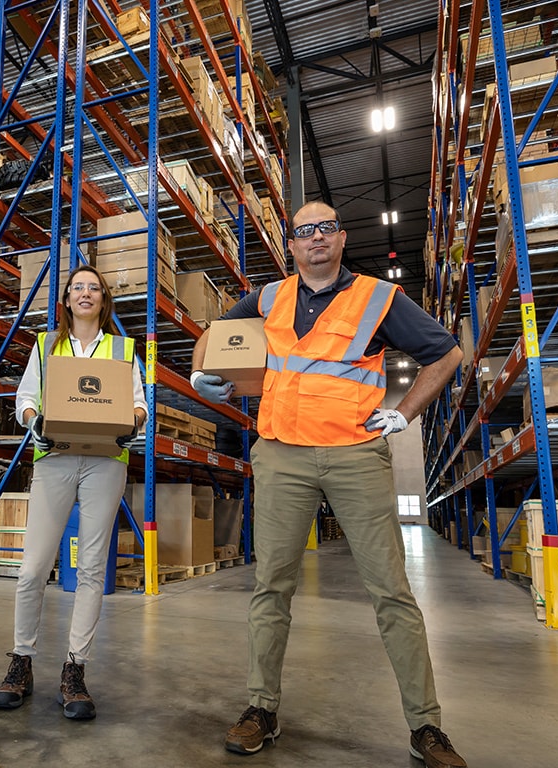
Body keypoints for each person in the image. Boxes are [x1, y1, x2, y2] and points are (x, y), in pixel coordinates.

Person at [190, 201, 467, 768]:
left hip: (356, 455)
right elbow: (215, 334)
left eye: (326, 228)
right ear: (290, 245)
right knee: (272, 586)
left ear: (341, 238)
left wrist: (406, 412)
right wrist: (201, 372)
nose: (315, 238)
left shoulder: (378, 297)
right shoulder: (268, 298)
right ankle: (261, 708)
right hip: (281, 455)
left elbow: (448, 353)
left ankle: (426, 727)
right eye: (303, 231)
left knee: (391, 590)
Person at [0, 264, 146, 720]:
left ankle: (75, 669)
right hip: (54, 458)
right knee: (33, 566)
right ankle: (21, 661)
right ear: (65, 299)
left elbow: (139, 402)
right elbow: (25, 399)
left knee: (93, 567)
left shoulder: (121, 348)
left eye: (93, 287)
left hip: (106, 462)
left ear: (103, 298)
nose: (84, 293)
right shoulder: (46, 344)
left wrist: (133, 423)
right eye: (76, 287)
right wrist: (32, 420)